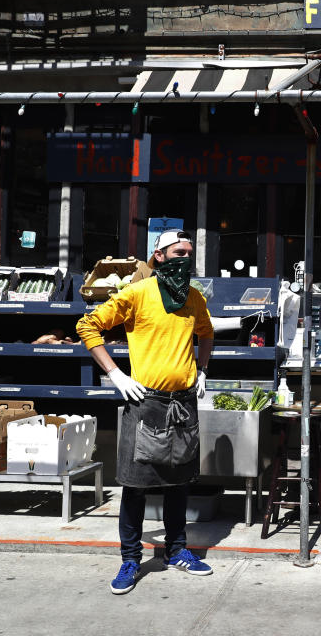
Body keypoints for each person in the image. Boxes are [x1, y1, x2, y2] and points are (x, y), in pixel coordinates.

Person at [76, 229, 215, 595]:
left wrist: (202, 369)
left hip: (183, 402)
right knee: (135, 487)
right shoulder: (137, 293)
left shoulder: (194, 298)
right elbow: (87, 326)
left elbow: (207, 333)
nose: (185, 257)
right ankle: (130, 559)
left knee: (178, 483)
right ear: (159, 256)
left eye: (189, 252)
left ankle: (177, 550)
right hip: (145, 402)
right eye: (178, 252)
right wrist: (115, 374)